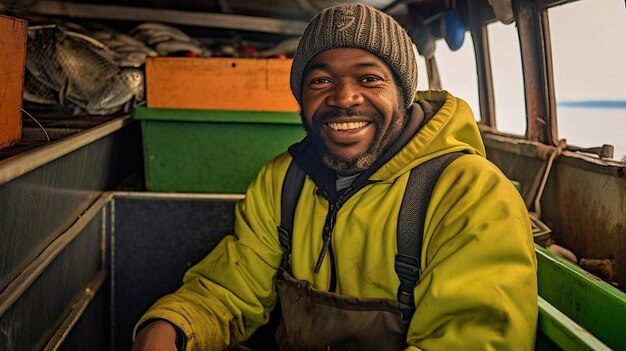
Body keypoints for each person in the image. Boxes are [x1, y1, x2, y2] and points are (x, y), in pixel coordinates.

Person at [132, 3, 538, 350]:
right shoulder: (282, 182)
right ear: (301, 98)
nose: (344, 98)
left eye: (369, 78)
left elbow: (473, 337)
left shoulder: (471, 194)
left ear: (403, 92)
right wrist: (171, 326)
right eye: (321, 80)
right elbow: (230, 288)